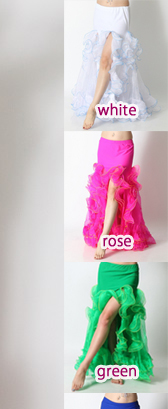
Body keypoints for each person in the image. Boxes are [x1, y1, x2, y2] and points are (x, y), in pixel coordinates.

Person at [70, 0, 159, 130]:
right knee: (101, 59)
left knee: (106, 60)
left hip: (119, 13)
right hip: (101, 11)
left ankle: (93, 107)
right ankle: (108, 101)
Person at [71, 261, 153, 391]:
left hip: (128, 272)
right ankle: (115, 366)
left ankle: (83, 367)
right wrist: (101, 248)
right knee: (111, 321)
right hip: (107, 270)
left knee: (105, 318)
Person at [82, 131, 155, 259]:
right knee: (105, 190)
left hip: (124, 147)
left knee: (114, 189)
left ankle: (104, 238)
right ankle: (110, 231)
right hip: (105, 145)